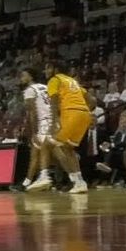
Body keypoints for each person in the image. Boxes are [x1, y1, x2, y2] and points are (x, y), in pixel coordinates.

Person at [45, 61, 93, 194]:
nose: (45, 71)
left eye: (47, 68)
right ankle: (80, 182)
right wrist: (85, 111)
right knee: (68, 149)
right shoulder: (73, 81)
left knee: (53, 145)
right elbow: (92, 100)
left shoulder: (54, 80)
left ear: (54, 69)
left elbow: (54, 100)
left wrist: (54, 121)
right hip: (84, 114)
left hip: (70, 113)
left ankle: (73, 180)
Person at [19, 68, 55, 192]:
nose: (21, 78)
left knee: (52, 153)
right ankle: (26, 183)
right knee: (36, 153)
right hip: (53, 119)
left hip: (43, 122)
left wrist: (33, 132)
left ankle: (72, 178)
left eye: (24, 75)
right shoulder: (45, 87)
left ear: (31, 76)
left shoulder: (29, 90)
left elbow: (32, 113)